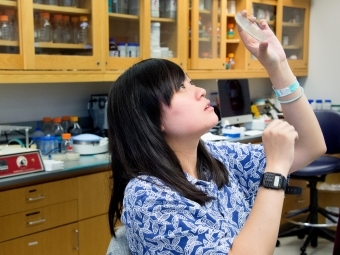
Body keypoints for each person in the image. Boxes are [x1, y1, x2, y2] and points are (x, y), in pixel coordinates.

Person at [107, 10, 326, 255]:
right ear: (151, 119)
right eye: (181, 88)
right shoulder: (148, 196)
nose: (200, 90)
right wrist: (274, 172)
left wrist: (278, 66)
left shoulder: (217, 158)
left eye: (191, 82)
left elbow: (311, 146)